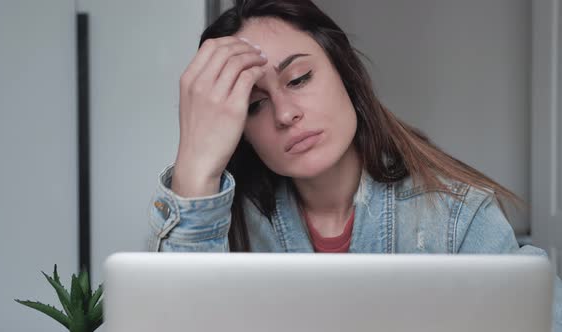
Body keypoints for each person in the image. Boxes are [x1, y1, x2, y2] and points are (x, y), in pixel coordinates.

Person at [147, 0, 561, 328]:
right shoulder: (229, 227)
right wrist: (196, 170)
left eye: (299, 79)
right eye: (255, 105)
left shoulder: (459, 219)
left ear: (345, 73)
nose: (285, 114)